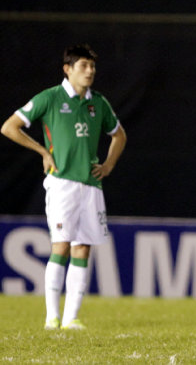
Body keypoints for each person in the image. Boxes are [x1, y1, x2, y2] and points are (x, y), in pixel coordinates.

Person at [1, 44, 127, 330]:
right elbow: (9, 127)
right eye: (83, 65)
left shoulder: (99, 103)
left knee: (82, 248)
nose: (90, 71)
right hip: (62, 184)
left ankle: (71, 319)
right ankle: (51, 317)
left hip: (91, 185)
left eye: (92, 66)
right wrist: (43, 153)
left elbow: (119, 135)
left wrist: (108, 166)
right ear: (67, 69)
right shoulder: (51, 97)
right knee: (61, 246)